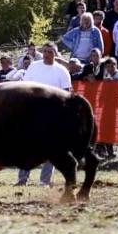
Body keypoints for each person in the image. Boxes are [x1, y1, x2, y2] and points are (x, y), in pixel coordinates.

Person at [17, 42, 72, 187]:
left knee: (51, 149)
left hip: (53, 115)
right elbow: (24, 87)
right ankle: (22, 179)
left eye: (51, 52)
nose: (48, 54)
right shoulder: (34, 67)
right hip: (33, 112)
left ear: (56, 54)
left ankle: (44, 180)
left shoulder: (62, 71)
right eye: (46, 51)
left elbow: (67, 94)